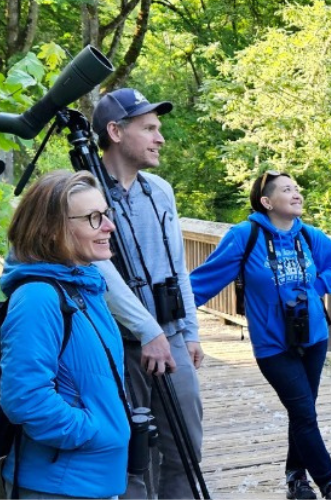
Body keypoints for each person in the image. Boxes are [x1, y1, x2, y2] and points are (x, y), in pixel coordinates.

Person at [189, 171, 331, 499]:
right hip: (273, 345)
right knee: (304, 412)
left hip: (315, 337)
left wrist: (316, 287)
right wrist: (168, 322)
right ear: (266, 201)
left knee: (303, 411)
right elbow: (199, 284)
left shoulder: (307, 235)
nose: (296, 194)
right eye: (287, 190)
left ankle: (295, 476)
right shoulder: (244, 236)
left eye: (297, 188)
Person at [91, 87, 204, 499]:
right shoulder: (86, 193)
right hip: (117, 346)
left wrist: (189, 331)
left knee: (186, 454)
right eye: (150, 128)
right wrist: (145, 331)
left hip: (171, 337)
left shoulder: (160, 191)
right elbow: (98, 274)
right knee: (129, 458)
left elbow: (178, 266)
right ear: (116, 132)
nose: (160, 138)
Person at [0, 170, 129, 498]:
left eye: (107, 214)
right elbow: (24, 398)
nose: (109, 226)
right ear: (52, 229)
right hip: (60, 484)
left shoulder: (83, 288)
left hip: (92, 480)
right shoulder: (38, 297)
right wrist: (90, 432)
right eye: (94, 218)